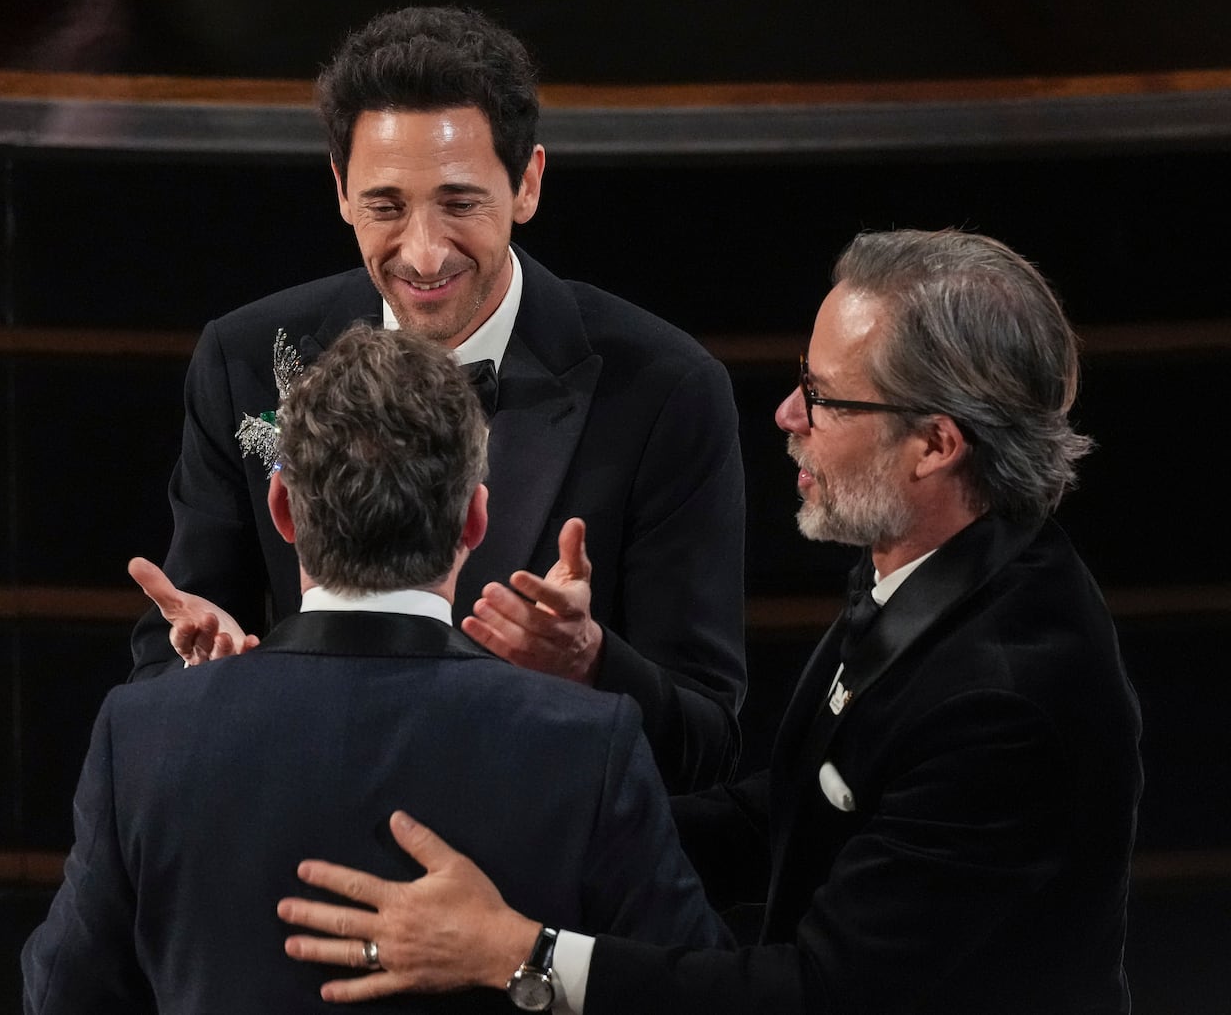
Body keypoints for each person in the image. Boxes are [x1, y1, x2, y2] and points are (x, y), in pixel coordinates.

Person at [277, 229, 1145, 1014]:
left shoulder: (1006, 698)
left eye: (826, 397)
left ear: (935, 445)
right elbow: (790, 815)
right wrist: (536, 816)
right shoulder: (932, 569)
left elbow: (820, 993)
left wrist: (516, 953)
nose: (788, 415)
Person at [127, 4, 747, 792]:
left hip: (533, 872)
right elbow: (168, 655)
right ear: (341, 192)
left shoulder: (666, 390)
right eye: (386, 206)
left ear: (527, 184)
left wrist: (590, 663)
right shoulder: (245, 359)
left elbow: (710, 743)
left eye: (459, 204)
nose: (422, 254)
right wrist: (203, 681)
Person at [23, 325, 730, 1012]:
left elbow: (61, 996)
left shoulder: (145, 735)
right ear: (475, 520)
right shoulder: (588, 743)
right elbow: (695, 987)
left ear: (283, 511)